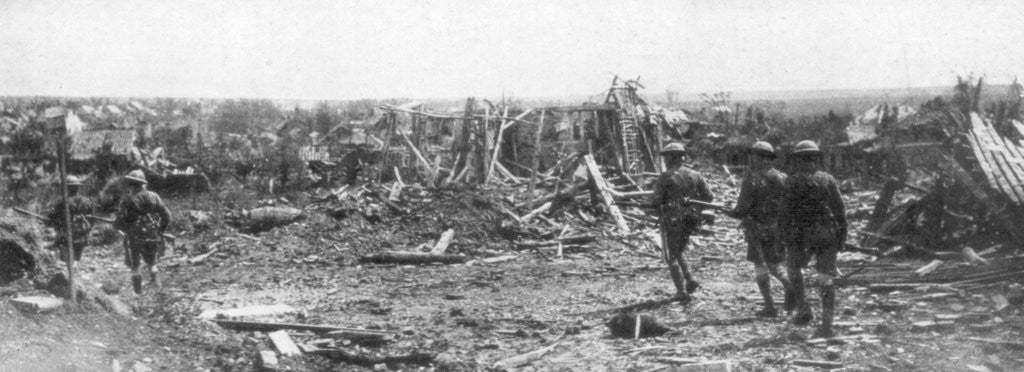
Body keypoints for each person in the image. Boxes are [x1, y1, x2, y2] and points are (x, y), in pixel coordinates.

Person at [778, 140, 847, 338]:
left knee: (793, 269)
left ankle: (803, 308)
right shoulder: (828, 179)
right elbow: (840, 211)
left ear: (797, 160)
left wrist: (781, 239)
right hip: (826, 234)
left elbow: (783, 214)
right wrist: (842, 237)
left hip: (799, 234)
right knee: (826, 278)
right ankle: (827, 325)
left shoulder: (791, 182)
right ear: (816, 159)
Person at [727, 141, 794, 317]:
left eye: (754, 156)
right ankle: (787, 291)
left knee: (762, 266)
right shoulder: (783, 178)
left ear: (759, 158)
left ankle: (771, 304)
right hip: (779, 228)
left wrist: (730, 212)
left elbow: (741, 210)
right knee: (777, 263)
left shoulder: (752, 180)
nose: (752, 159)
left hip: (757, 230)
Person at [650, 142, 713, 300]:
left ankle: (681, 291)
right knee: (678, 250)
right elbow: (708, 196)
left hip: (672, 219)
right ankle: (690, 279)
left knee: (671, 255)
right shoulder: (695, 175)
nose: (665, 160)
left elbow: (656, 201)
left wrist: (653, 205)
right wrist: (694, 206)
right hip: (692, 219)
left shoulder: (665, 177)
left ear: (672, 158)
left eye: (666, 157)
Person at [114, 170, 171, 294]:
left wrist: (117, 225)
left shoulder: (128, 200)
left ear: (131, 184)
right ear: (142, 184)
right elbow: (167, 216)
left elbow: (121, 220)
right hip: (152, 235)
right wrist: (160, 230)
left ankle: (138, 295)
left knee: (135, 266)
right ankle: (159, 292)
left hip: (134, 237)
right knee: (152, 264)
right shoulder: (154, 196)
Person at [45, 176, 96, 268]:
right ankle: (75, 268)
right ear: (77, 187)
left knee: (66, 261)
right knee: (76, 258)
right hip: (82, 236)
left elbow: (52, 219)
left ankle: (68, 274)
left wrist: (54, 226)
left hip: (66, 236)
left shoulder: (61, 202)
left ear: (66, 187)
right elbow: (92, 219)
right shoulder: (87, 201)